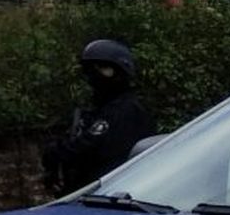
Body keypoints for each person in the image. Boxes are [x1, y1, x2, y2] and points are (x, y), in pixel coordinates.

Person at [42, 39, 155, 195]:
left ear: (120, 72)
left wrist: (56, 153)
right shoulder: (97, 110)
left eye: (103, 69)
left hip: (113, 194)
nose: (95, 76)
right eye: (91, 70)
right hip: (90, 196)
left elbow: (87, 147)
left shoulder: (125, 110)